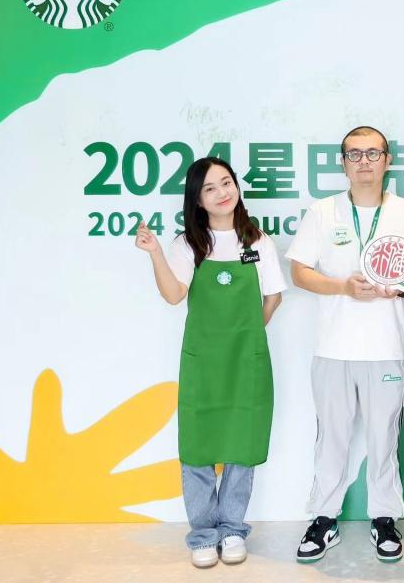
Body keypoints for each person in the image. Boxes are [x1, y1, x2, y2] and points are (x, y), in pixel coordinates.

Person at [286, 126, 404, 563]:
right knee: (331, 438)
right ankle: (324, 518)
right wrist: (343, 287)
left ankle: (384, 518)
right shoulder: (323, 212)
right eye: (355, 154)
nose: (364, 161)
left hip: (385, 348)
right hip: (333, 348)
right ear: (343, 162)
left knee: (384, 437)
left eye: (373, 153)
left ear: (388, 160)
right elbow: (299, 272)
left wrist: (400, 289)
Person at [134, 157, 285, 569]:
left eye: (227, 182)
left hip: (246, 361)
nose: (222, 193)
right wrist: (155, 253)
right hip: (203, 361)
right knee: (198, 446)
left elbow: (273, 296)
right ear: (198, 200)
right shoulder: (189, 244)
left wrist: (248, 334)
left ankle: (232, 529)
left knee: (242, 444)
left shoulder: (258, 241)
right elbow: (173, 294)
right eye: (210, 188)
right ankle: (203, 535)